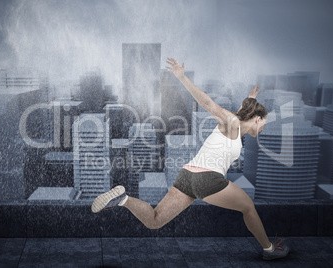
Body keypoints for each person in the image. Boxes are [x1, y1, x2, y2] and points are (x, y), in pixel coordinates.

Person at [91, 57, 289, 260]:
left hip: (187, 176)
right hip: (207, 179)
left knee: (154, 220)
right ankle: (269, 250)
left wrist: (250, 99)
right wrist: (182, 77)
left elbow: (241, 114)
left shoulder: (236, 125)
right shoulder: (232, 123)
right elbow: (207, 103)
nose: (263, 128)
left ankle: (122, 199)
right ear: (257, 118)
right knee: (248, 206)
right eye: (263, 123)